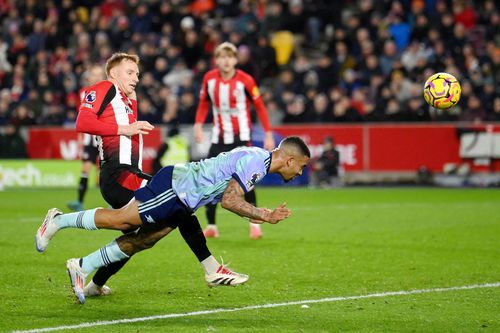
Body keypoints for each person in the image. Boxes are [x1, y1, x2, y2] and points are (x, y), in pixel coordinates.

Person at [35, 137, 310, 304]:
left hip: (185, 196)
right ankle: (58, 221)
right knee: (122, 221)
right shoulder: (256, 163)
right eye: (302, 165)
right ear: (289, 160)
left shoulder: (258, 160)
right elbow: (230, 200)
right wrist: (265, 215)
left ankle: (83, 266)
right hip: (175, 188)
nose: (301, 172)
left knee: (145, 240)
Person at [67, 52, 155, 298]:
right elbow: (81, 123)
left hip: (128, 171)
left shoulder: (126, 99)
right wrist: (125, 127)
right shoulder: (103, 87)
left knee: (134, 239)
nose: (136, 78)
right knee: (172, 202)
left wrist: (133, 109)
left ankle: (94, 284)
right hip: (118, 174)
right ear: (113, 73)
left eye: (137, 73)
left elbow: (130, 134)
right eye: (130, 72)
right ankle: (210, 267)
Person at [193, 42, 275, 240]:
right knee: (210, 180)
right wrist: (197, 124)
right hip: (219, 137)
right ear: (216, 60)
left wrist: (268, 133)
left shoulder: (246, 81)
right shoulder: (209, 79)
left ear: (236, 60)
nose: (226, 61)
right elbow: (204, 103)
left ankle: (255, 224)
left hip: (241, 137)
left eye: (230, 57)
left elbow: (260, 107)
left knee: (247, 181)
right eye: (222, 57)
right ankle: (212, 225)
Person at [67, 65, 107, 212]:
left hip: (104, 136)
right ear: (88, 78)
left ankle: (113, 202)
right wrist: (79, 136)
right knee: (85, 168)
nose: (96, 77)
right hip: (89, 138)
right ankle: (79, 201)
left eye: (99, 74)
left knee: (105, 169)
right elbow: (81, 116)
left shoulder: (108, 91)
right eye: (94, 74)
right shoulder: (82, 93)